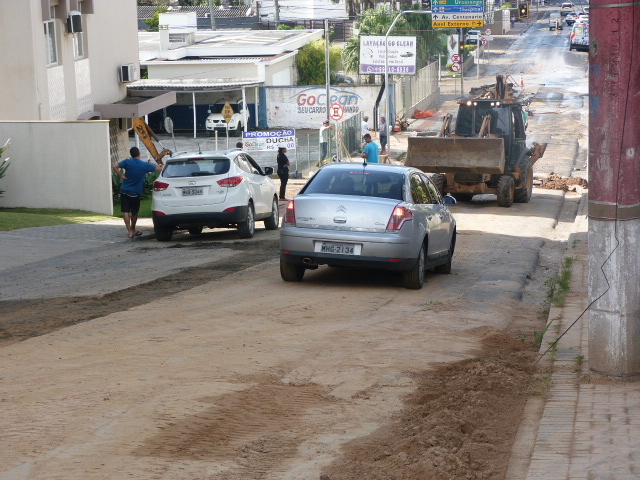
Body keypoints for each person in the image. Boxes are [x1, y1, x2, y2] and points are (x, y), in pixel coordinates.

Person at [112, 147, 162, 238]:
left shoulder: (127, 162)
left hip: (124, 190)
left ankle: (130, 231)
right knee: (134, 213)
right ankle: (132, 230)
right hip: (135, 193)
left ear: (131, 154)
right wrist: (151, 163)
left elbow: (114, 166)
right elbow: (159, 169)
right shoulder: (145, 165)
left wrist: (121, 175)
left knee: (125, 211)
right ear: (139, 154)